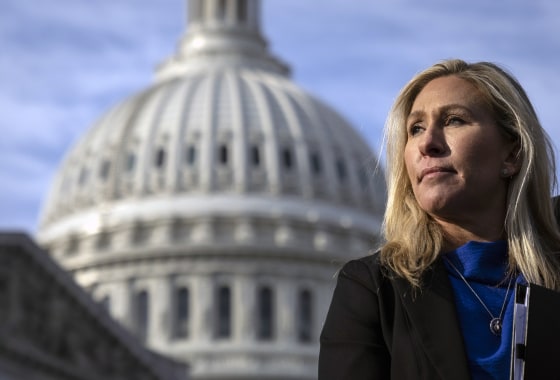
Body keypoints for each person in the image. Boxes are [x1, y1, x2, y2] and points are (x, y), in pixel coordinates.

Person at [318, 59, 560, 380]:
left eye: (454, 120)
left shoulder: (552, 276)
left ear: (512, 154)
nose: (426, 143)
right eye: (415, 128)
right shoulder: (374, 290)